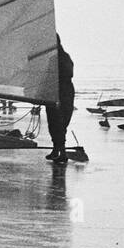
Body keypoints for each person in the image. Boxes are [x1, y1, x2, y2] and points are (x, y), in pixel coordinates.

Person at [45, 35, 75, 163]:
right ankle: (56, 150)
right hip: (59, 92)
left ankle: (61, 152)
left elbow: (67, 74)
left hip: (61, 92)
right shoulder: (63, 57)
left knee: (58, 123)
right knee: (56, 123)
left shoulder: (59, 58)